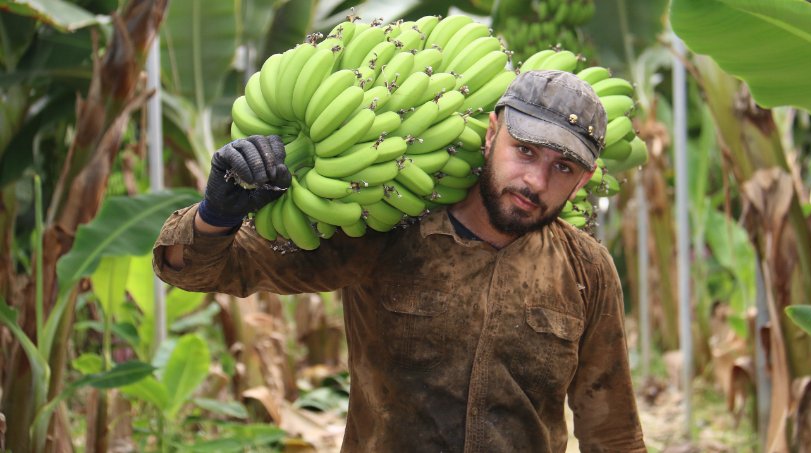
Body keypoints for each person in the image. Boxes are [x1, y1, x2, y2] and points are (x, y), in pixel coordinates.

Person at [154, 69, 646, 452]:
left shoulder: (585, 270)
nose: (535, 182)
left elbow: (613, 429)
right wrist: (216, 214)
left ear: (584, 181)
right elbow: (206, 267)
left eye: (562, 167)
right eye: (525, 151)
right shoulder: (386, 227)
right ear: (492, 134)